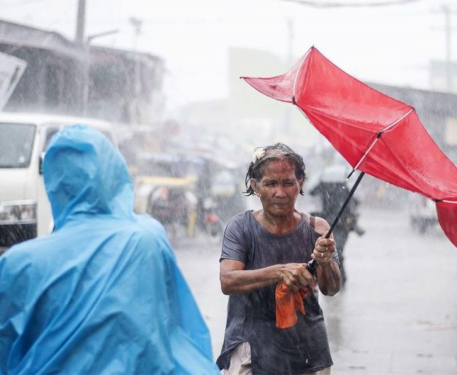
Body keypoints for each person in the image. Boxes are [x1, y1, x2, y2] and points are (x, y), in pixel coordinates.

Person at [0, 125, 219, 374]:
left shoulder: (18, 264)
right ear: (114, 175)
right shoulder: (146, 240)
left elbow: (6, 350)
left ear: (53, 184)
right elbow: (182, 327)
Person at [217, 143, 342, 375]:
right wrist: (279, 272)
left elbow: (332, 288)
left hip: (307, 349)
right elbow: (228, 281)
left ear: (300, 184)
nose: (280, 192)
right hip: (251, 345)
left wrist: (325, 263)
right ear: (255, 186)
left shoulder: (318, 229)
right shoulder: (240, 228)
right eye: (271, 183)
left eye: (288, 183)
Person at [310, 179, 364, 284]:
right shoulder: (324, 183)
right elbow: (312, 193)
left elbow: (356, 201)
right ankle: (334, 276)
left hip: (342, 224)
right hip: (329, 223)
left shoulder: (347, 185)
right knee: (330, 250)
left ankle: (340, 277)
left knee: (337, 250)